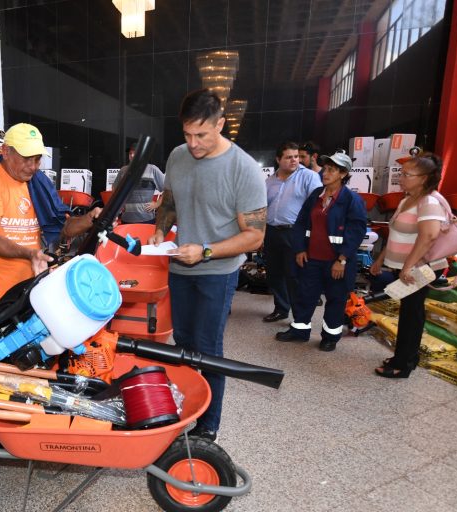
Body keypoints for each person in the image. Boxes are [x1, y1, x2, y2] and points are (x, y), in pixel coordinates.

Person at [147, 89, 267, 440]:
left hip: (217, 272)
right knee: (183, 344)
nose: (194, 143)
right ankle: (187, 410)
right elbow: (169, 200)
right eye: (187, 134)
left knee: (208, 348)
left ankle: (208, 427)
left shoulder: (242, 168)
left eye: (201, 134)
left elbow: (255, 236)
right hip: (179, 267)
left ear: (221, 124)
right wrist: (160, 230)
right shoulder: (178, 156)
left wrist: (207, 251)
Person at [0, 123, 97, 319]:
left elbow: (63, 227)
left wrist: (91, 218)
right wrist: (30, 254)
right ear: (5, 152)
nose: (33, 166)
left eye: (37, 159)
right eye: (26, 158)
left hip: (25, 292)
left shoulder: (38, 184)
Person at [276, 152, 367, 351]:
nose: (325, 173)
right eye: (325, 169)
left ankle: (330, 337)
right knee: (305, 296)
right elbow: (300, 224)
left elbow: (356, 233)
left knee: (335, 299)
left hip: (336, 262)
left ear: (343, 174)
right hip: (312, 260)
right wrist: (300, 249)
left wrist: (341, 260)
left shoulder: (352, 200)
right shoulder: (315, 195)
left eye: (332, 170)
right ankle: (299, 330)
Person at [369, 152, 447, 378]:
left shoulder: (429, 202)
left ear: (424, 178)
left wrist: (407, 266)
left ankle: (403, 364)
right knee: (409, 312)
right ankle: (406, 357)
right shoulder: (407, 200)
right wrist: (381, 259)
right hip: (403, 266)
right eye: (401, 173)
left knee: (412, 314)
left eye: (407, 174)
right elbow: (395, 233)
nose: (401, 178)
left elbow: (429, 237)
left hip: (418, 268)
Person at [263, 142, 322, 322]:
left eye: (296, 156)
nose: (294, 160)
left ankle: (300, 319)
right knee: (274, 273)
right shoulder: (269, 181)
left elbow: (316, 207)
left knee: (294, 276)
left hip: (294, 233)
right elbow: (262, 207)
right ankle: (281, 309)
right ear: (278, 159)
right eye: (289, 157)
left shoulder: (309, 177)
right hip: (271, 232)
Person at [112, 142, 165, 224]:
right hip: (126, 219)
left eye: (135, 153)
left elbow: (168, 189)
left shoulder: (152, 170)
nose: (132, 155)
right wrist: (119, 204)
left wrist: (157, 204)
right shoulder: (123, 171)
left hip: (147, 220)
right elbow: (114, 189)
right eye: (130, 153)